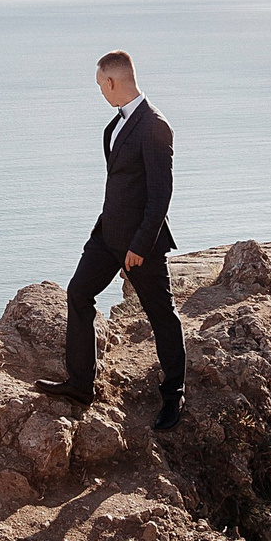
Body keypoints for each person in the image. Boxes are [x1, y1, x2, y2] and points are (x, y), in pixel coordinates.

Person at [36, 50, 185, 431]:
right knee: (78, 293)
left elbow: (160, 195)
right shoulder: (115, 125)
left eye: (100, 85)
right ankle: (81, 384)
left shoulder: (155, 126)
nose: (100, 92)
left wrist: (140, 245)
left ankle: (173, 395)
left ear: (112, 81)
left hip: (141, 244)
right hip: (107, 235)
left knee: (161, 315)